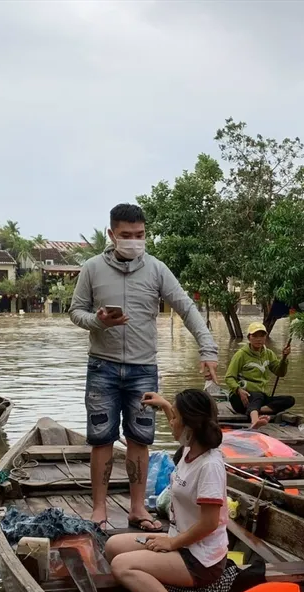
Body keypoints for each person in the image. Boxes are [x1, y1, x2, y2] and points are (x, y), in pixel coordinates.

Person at [70, 203, 219, 532]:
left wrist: (208, 348)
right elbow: (76, 312)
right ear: (112, 234)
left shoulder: (156, 269)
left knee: (140, 439)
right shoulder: (92, 268)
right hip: (102, 367)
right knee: (101, 439)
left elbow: (186, 307)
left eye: (140, 235)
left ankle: (137, 509)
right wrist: (98, 321)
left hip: (142, 369)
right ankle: (99, 508)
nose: (134, 241)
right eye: (126, 235)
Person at [103, 389, 227, 592]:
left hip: (200, 559)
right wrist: (165, 405)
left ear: (189, 425)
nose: (171, 422)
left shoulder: (210, 466)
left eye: (175, 418)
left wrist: (171, 543)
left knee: (121, 566)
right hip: (181, 540)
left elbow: (210, 523)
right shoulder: (189, 449)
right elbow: (181, 421)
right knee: (113, 545)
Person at [224, 322, 294, 428]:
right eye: (255, 336)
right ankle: (255, 421)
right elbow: (229, 377)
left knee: (289, 400)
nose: (259, 339)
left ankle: (257, 409)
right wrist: (239, 390)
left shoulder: (269, 354)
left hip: (259, 398)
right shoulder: (241, 355)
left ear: (265, 337)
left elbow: (280, 373)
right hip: (241, 398)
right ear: (249, 338)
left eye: (262, 336)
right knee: (257, 395)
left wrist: (284, 358)